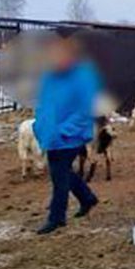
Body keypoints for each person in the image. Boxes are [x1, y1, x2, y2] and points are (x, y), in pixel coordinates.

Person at [32, 29, 101, 234]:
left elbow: (85, 109)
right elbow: (43, 103)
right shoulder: (49, 75)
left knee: (59, 175)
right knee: (62, 172)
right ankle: (87, 198)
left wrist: (64, 130)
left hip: (71, 136)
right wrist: (40, 127)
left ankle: (56, 217)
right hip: (51, 135)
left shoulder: (83, 76)